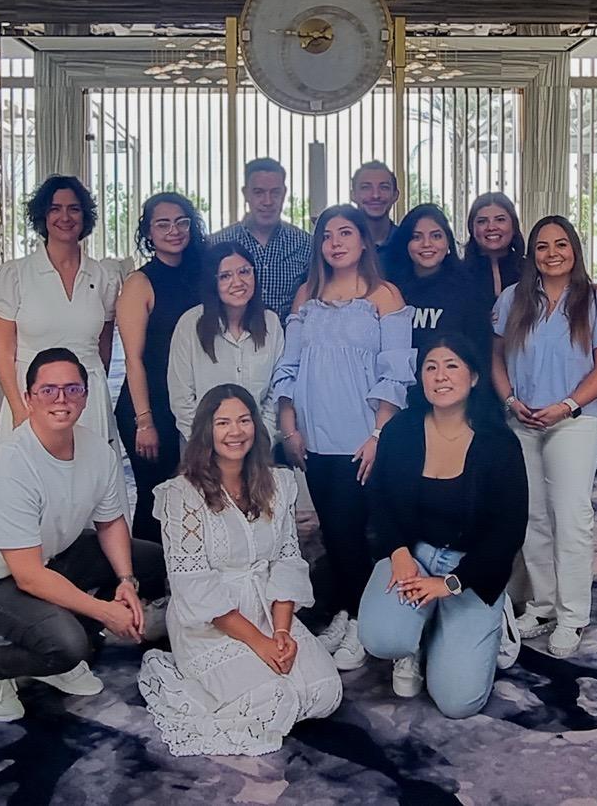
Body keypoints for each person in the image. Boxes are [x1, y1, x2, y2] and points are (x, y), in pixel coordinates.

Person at [0, 347, 169, 723]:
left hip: (50, 555)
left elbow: (110, 522)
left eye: (72, 389)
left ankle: (64, 643)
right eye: (48, 390)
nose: (61, 399)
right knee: (68, 646)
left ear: (85, 395)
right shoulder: (11, 466)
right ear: (29, 398)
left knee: (150, 559)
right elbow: (28, 576)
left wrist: (126, 581)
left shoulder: (96, 449)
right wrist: (105, 612)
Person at [138, 384, 343, 756]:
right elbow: (194, 586)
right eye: (223, 423)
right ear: (206, 431)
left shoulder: (278, 484)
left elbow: (287, 561)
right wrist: (259, 644)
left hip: (268, 611)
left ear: (255, 426)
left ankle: (271, 665)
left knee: (325, 692)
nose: (235, 431)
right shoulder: (181, 495)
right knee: (272, 699)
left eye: (244, 420)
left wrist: (281, 632)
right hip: (210, 623)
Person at [272, 204, 413, 671]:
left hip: (363, 439)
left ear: (363, 240)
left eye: (345, 233)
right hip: (315, 439)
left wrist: (379, 434)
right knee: (333, 533)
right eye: (327, 235)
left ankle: (364, 622)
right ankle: (347, 612)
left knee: (360, 535)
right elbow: (289, 367)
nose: (335, 242)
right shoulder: (306, 296)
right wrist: (290, 428)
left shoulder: (384, 296)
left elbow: (396, 373)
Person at [357, 333, 527, 718]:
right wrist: (399, 554)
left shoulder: (499, 443)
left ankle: (489, 618)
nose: (440, 376)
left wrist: (450, 584)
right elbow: (380, 500)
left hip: (471, 571)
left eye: (452, 365)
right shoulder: (401, 430)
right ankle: (413, 640)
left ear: (474, 377)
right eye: (430, 367)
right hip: (414, 555)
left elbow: (508, 532)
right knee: (383, 638)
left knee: (457, 702)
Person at [493, 217, 597, 658]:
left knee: (570, 518)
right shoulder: (513, 299)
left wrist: (566, 405)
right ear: (532, 254)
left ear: (575, 250)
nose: (552, 253)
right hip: (524, 420)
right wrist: (511, 401)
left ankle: (572, 616)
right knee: (532, 518)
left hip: (573, 421)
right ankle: (543, 606)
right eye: (543, 246)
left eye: (561, 244)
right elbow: (495, 358)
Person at [0, 175, 124, 446]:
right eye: (55, 209)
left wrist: (92, 392)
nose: (65, 217)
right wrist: (19, 409)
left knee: (89, 468)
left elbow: (105, 347)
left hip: (87, 398)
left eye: (74, 209)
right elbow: (3, 352)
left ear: (85, 216)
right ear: (43, 215)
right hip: (32, 399)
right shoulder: (15, 274)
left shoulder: (104, 277)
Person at [116, 192, 208, 544]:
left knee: (195, 493)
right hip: (149, 404)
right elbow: (133, 358)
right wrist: (145, 421)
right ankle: (147, 570)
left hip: (191, 401)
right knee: (156, 495)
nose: (174, 230)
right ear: (148, 232)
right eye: (163, 224)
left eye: (182, 222)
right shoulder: (140, 283)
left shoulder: (202, 274)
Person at [168, 241, 284, 446]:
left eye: (244, 272)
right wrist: (212, 445)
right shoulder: (190, 324)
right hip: (202, 445)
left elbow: (276, 391)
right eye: (225, 276)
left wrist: (259, 440)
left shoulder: (271, 323)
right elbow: (182, 398)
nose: (237, 282)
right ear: (212, 282)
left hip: (258, 444)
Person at [382, 203, 492, 356]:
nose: (427, 244)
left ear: (448, 242)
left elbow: (480, 352)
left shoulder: (469, 290)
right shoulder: (389, 291)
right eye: (416, 237)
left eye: (436, 236)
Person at [211, 157, 312, 320]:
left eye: (275, 192)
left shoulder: (305, 245)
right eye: (259, 192)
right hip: (229, 335)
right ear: (245, 194)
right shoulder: (218, 243)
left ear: (284, 193)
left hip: (286, 335)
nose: (267, 201)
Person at [464, 192, 525, 302]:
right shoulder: (457, 274)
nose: (491, 227)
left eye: (500, 220)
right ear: (472, 228)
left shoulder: (531, 271)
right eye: (482, 221)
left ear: (514, 226)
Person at [349, 160, 400, 247]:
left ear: (395, 195)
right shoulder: (340, 244)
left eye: (384, 188)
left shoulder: (408, 242)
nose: (375, 195)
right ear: (353, 195)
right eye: (366, 188)